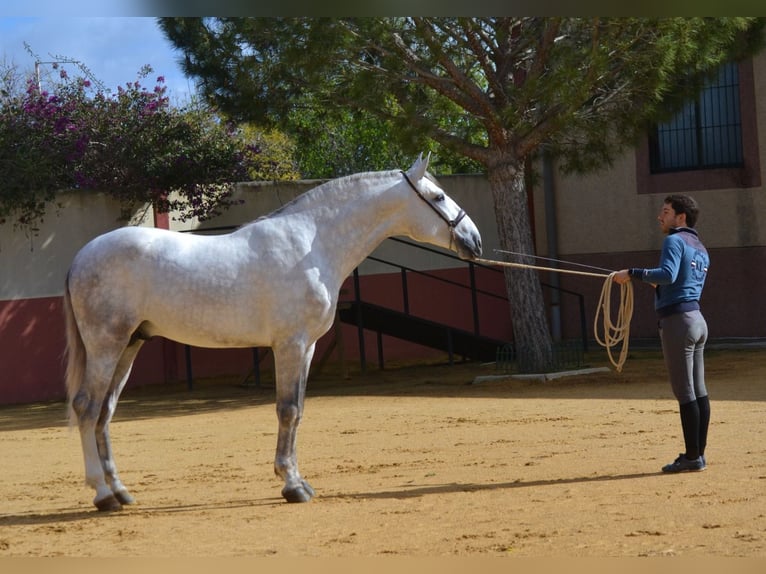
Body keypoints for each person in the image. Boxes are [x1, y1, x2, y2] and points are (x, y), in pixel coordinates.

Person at [613, 194, 710, 473]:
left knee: (685, 392)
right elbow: (682, 282)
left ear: (681, 217)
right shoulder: (701, 247)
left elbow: (667, 274)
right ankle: (698, 454)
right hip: (697, 320)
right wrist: (657, 286)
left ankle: (692, 457)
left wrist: (631, 272)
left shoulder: (673, 240)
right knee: (699, 391)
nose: (660, 216)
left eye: (666, 211)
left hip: (678, 322)